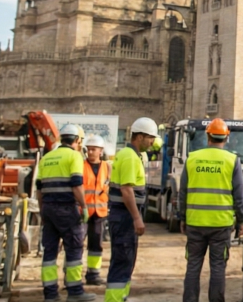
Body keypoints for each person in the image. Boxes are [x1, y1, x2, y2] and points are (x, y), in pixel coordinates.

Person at [178, 118, 243, 302]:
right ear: (226, 138)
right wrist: (241, 220)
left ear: (207, 135)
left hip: (195, 222)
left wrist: (182, 217)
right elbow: (240, 196)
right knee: (217, 267)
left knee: (193, 266)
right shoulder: (232, 160)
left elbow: (183, 192)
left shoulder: (192, 159)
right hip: (220, 224)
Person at [36, 124, 95, 302]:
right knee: (74, 249)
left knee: (49, 252)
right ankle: (75, 291)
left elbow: (39, 189)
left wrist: (42, 211)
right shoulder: (74, 156)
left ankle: (50, 293)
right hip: (67, 209)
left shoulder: (46, 157)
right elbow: (76, 184)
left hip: (48, 208)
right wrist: (84, 206)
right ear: (77, 140)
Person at [104, 117, 158, 302]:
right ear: (140, 136)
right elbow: (127, 190)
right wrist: (137, 218)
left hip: (123, 216)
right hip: (124, 216)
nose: (152, 142)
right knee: (122, 261)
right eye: (150, 137)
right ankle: (114, 299)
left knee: (126, 261)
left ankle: (121, 297)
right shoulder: (129, 156)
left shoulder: (132, 155)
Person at [81, 134, 110, 286]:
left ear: (101, 151)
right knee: (77, 244)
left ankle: (93, 274)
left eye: (94, 149)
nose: (90, 152)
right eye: (88, 149)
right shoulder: (81, 166)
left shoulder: (107, 167)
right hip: (83, 213)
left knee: (96, 245)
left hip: (99, 214)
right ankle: (71, 276)